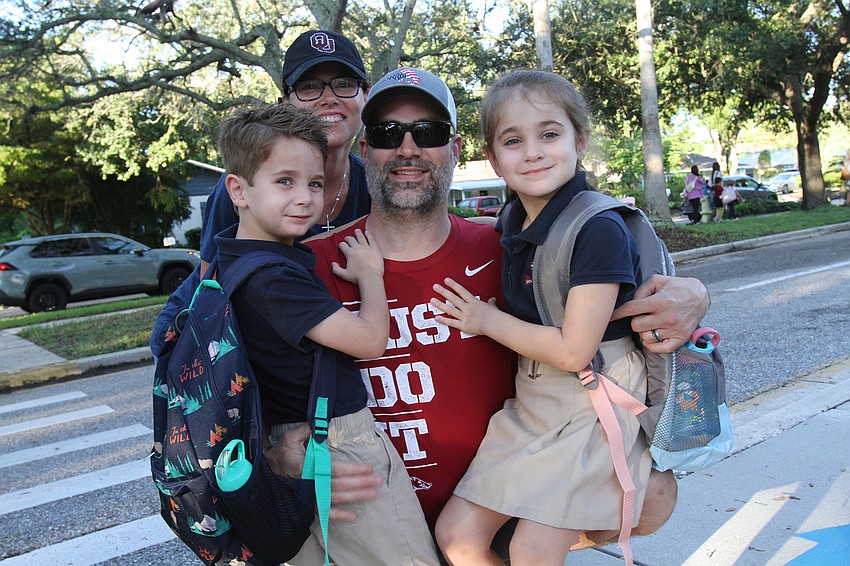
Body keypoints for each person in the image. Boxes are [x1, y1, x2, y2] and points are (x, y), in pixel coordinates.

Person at [279, 67, 709, 563]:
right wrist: (280, 454)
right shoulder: (307, 266)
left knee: (653, 495)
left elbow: (613, 278)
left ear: (457, 149)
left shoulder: (510, 249)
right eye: (386, 133)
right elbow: (219, 359)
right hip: (371, 537)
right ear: (363, 151)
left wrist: (694, 294)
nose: (408, 148)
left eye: (430, 132)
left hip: (500, 518)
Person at [426, 69, 650, 565]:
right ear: (492, 157)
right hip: (533, 403)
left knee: (532, 550)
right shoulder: (512, 220)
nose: (533, 152)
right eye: (513, 140)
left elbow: (575, 350)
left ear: (580, 140)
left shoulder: (598, 228)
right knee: (458, 535)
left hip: (591, 401)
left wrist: (484, 320)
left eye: (549, 134)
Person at [214, 103, 439, 565]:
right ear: (237, 189)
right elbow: (369, 340)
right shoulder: (274, 277)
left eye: (315, 183)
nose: (305, 198)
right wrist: (371, 275)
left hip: (282, 440)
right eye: (284, 181)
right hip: (335, 437)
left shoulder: (229, 263)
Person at [198, 29, 373, 274]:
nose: (329, 98)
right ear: (285, 102)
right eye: (310, 86)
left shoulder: (376, 184)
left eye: (344, 84)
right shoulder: (246, 187)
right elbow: (211, 287)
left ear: (366, 97)